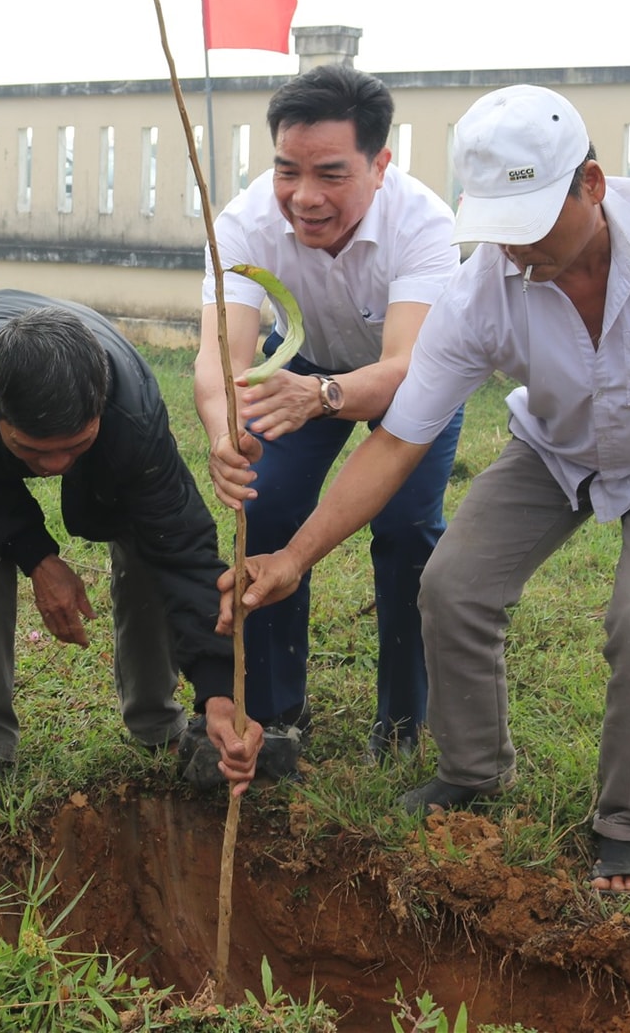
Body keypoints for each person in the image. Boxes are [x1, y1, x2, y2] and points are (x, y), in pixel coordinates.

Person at [222, 85, 630, 893]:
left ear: (590, 184)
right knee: (452, 587)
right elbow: (397, 441)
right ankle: (474, 771)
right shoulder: (481, 291)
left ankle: (627, 827)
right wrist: (297, 556)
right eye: (501, 232)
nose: (518, 252)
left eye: (533, 227)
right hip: (557, 447)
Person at [0, 291, 263, 818]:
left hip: (97, 380)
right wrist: (38, 558)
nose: (53, 466)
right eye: (32, 450)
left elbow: (181, 550)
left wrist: (218, 691)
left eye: (74, 446)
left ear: (101, 409)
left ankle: (158, 720)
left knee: (144, 543)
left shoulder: (130, 413)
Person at [195, 65, 462, 762]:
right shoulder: (246, 221)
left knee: (406, 534)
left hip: (415, 376)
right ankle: (278, 713)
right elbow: (222, 356)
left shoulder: (425, 224)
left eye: (331, 175)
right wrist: (227, 435)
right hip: (304, 362)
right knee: (271, 506)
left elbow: (406, 368)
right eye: (288, 170)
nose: (304, 198)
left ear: (380, 164)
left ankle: (402, 722)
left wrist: (325, 397)